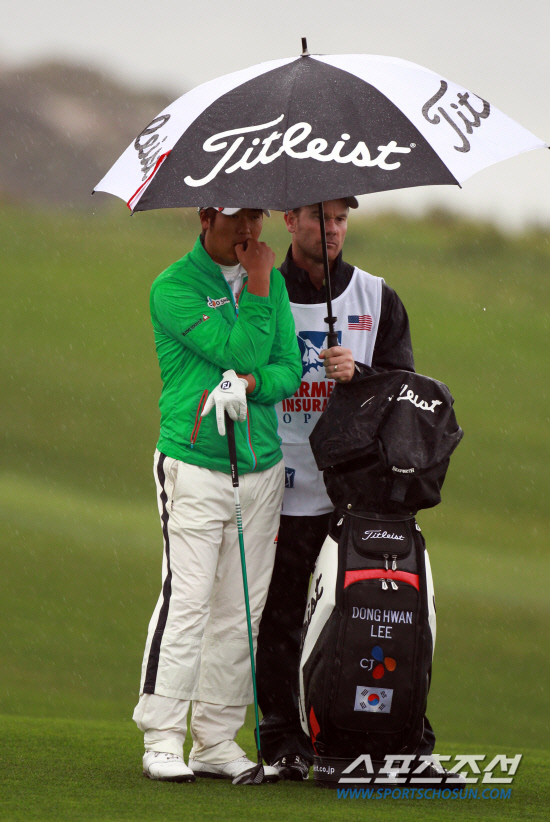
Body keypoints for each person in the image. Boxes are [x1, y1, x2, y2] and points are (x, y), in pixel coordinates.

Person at [256, 198, 436, 780]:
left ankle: (382, 736)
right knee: (279, 619)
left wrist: (361, 375)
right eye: (319, 217)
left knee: (373, 612)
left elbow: (406, 393)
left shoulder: (377, 296)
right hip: (279, 485)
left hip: (356, 494)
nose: (331, 229)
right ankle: (284, 741)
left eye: (340, 218)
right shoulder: (262, 291)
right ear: (290, 220)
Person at [133, 206, 302, 783]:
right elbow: (239, 352)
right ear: (206, 217)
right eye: (235, 218)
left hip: (262, 469)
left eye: (256, 216)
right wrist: (258, 286)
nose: (248, 230)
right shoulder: (174, 288)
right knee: (188, 601)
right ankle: (162, 736)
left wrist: (254, 385)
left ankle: (214, 740)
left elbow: (287, 369)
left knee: (240, 611)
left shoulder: (270, 282)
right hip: (195, 465)